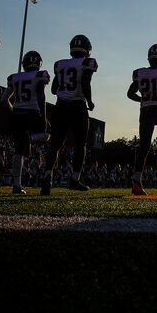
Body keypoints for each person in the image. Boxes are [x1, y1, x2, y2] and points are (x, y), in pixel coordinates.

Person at [40, 35, 97, 195]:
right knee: (80, 144)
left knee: (55, 144)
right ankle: (75, 179)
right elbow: (85, 83)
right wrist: (90, 101)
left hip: (60, 105)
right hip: (77, 106)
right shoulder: (87, 62)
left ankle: (47, 177)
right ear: (88, 49)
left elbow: (53, 89)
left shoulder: (60, 64)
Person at [127, 43, 157, 196]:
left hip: (145, 111)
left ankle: (136, 182)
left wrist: (142, 100)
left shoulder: (140, 73)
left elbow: (130, 93)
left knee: (143, 148)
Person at [1, 50, 51, 195]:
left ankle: (16, 185)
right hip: (33, 112)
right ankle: (30, 139)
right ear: (39, 63)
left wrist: (14, 111)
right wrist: (43, 116)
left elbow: (4, 100)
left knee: (19, 151)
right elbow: (41, 96)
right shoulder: (40, 75)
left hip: (18, 114)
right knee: (48, 134)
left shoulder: (14, 77)